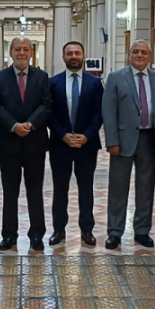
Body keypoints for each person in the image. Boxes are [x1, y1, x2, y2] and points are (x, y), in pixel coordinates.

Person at [102, 40, 155, 250]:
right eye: (135, 52)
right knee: (118, 188)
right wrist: (111, 141)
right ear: (129, 54)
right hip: (122, 141)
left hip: (148, 139)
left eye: (144, 52)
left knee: (146, 187)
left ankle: (142, 230)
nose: (140, 55)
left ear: (150, 57)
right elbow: (109, 112)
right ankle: (115, 232)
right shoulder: (116, 77)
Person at [0, 37, 52, 252]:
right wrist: (14, 125)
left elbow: (47, 104)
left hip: (35, 143)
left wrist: (31, 124)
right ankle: (9, 235)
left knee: (35, 191)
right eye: (18, 49)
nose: (22, 53)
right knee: (10, 192)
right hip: (9, 143)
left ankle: (37, 235)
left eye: (26, 49)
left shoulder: (42, 77)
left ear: (31, 52)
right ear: (10, 51)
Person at [48, 41, 103, 247]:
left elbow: (99, 114)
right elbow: (49, 114)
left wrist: (86, 135)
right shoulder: (53, 83)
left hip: (86, 145)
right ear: (63, 57)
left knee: (86, 188)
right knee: (60, 188)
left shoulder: (95, 83)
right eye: (69, 53)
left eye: (77, 53)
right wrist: (63, 135)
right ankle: (58, 229)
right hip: (60, 144)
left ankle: (86, 230)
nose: (73, 56)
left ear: (83, 56)